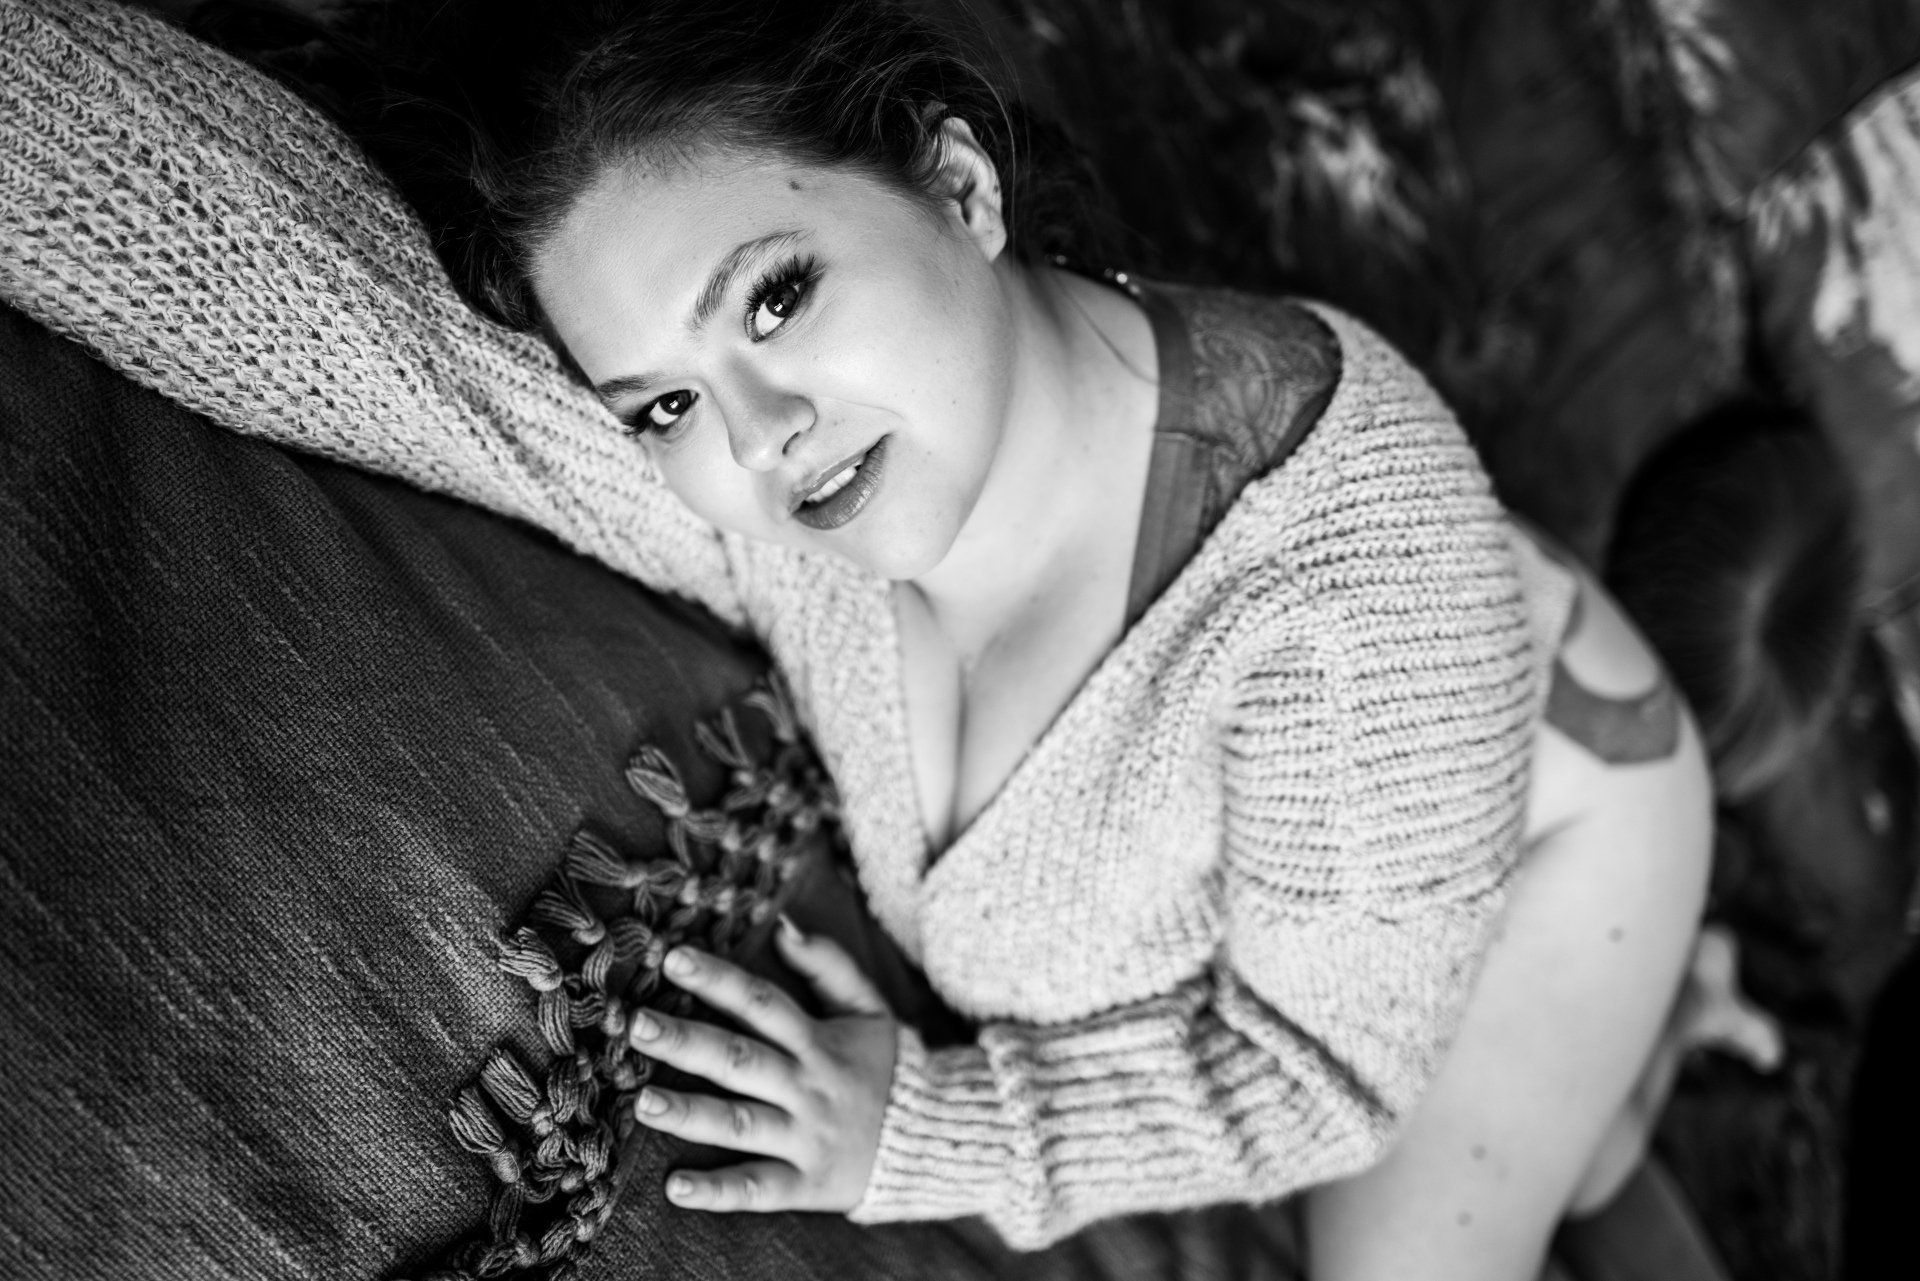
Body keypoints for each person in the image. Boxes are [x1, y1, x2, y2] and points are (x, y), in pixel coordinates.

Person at [2, 1, 1713, 1276]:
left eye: (777, 295)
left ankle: (1627, 1037)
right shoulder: (780, 491)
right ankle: (1612, 1101)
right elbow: (318, 302)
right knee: (1551, 1155)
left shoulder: (1331, 620)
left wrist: (931, 1127)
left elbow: (1317, 1070)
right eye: (664, 394)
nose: (757, 437)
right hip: (1391, 778)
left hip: (1561, 811)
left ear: (956, 183)